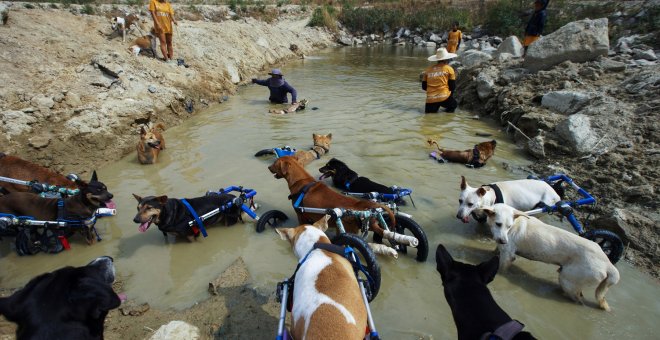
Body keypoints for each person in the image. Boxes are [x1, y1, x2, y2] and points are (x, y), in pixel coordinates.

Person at [421, 48, 458, 113]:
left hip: (430, 99)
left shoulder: (428, 70)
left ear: (437, 60)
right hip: (444, 98)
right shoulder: (449, 69)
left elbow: (424, 87)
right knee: (454, 105)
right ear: (446, 59)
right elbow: (452, 87)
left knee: (429, 116)